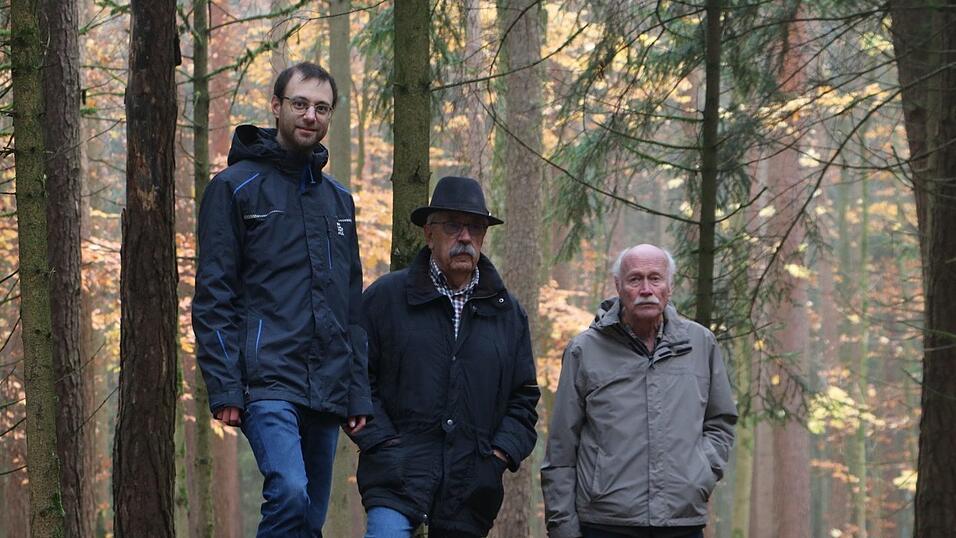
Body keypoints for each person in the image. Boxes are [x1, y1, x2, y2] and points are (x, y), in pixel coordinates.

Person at [192, 62, 370, 537]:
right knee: (289, 491)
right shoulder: (233, 187)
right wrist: (226, 386)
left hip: (328, 384)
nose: (310, 116)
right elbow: (213, 296)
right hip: (266, 379)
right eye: (299, 104)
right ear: (276, 107)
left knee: (308, 518)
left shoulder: (339, 202)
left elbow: (352, 305)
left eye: (321, 108)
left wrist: (356, 391)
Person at [349, 176, 540, 538]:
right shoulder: (385, 298)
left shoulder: (508, 313)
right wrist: (382, 443)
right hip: (394, 476)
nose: (465, 237)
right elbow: (355, 378)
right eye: (453, 225)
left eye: (475, 227)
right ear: (428, 233)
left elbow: (524, 399)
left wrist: (497, 457)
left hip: (470, 488)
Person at [541, 244, 738, 538]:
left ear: (669, 286)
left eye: (655, 278)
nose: (646, 288)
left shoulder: (700, 344)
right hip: (605, 522)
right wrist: (563, 527)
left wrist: (699, 475)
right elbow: (561, 449)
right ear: (619, 286)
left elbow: (720, 422)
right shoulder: (585, 350)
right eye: (635, 279)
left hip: (681, 522)